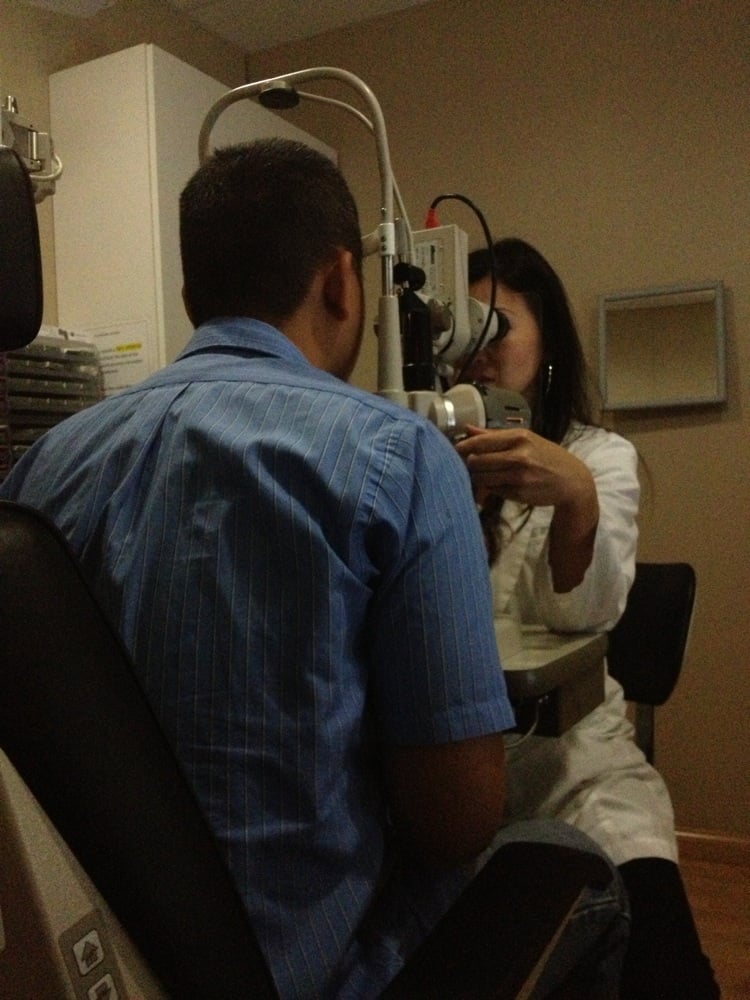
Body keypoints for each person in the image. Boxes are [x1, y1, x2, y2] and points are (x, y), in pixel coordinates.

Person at [0, 143, 627, 999]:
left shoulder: (42, 468)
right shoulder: (400, 456)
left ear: (190, 298)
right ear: (341, 281)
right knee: (579, 860)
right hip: (307, 974)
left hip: (112, 958)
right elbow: (455, 823)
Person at [456, 236, 719, 999]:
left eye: (498, 326)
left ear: (547, 343)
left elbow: (588, 613)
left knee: (664, 970)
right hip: (456, 773)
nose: (479, 349)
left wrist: (573, 493)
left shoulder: (598, 456)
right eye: (463, 330)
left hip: (574, 767)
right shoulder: (423, 459)